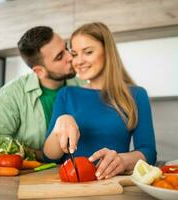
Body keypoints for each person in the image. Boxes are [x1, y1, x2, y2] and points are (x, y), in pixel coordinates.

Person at [43, 22, 157, 179]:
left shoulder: (136, 95)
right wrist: (60, 124)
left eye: (88, 52)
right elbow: (49, 156)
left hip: (112, 184)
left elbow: (148, 152)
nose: (78, 61)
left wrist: (123, 161)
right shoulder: (66, 94)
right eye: (75, 54)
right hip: (70, 185)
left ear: (107, 52)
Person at [0, 26, 82, 161]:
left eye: (66, 48)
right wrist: (41, 155)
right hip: (33, 174)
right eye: (60, 56)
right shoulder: (12, 93)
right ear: (39, 71)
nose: (70, 57)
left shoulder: (83, 85)